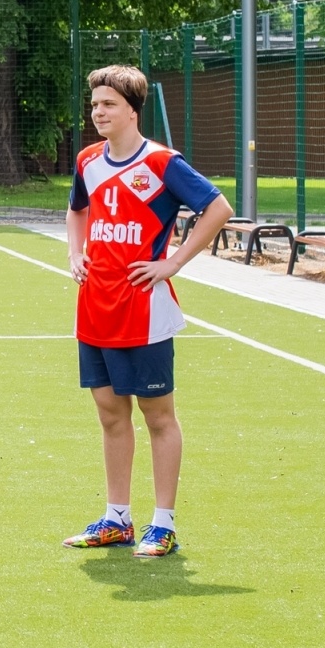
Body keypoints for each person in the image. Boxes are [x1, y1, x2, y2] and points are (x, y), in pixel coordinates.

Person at [60, 65, 231, 556]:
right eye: (94, 105)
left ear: (132, 110)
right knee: (111, 413)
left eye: (108, 104)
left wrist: (172, 262)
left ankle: (164, 523)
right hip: (94, 307)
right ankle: (117, 519)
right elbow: (77, 210)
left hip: (144, 310)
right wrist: (75, 253)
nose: (98, 112)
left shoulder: (162, 163)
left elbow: (217, 208)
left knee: (158, 416)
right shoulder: (88, 160)